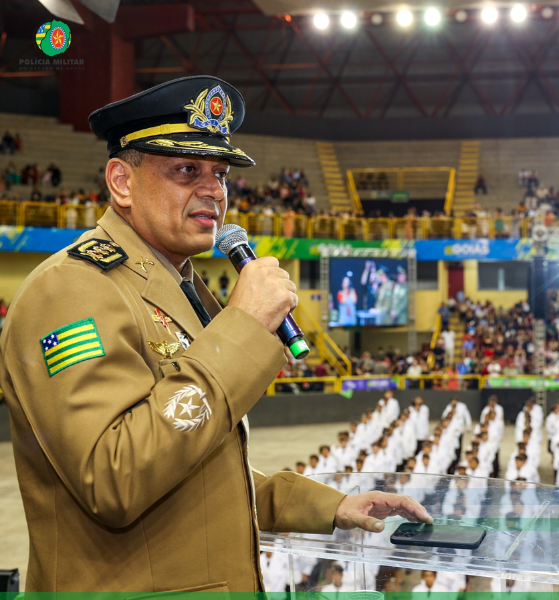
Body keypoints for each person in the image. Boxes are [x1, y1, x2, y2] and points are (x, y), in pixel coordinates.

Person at [0, 75, 432, 591]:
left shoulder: (175, 284)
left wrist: (330, 505)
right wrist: (242, 328)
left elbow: (195, 469)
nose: (214, 191)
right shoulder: (71, 289)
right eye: (187, 170)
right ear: (121, 181)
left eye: (221, 174)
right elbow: (114, 477)